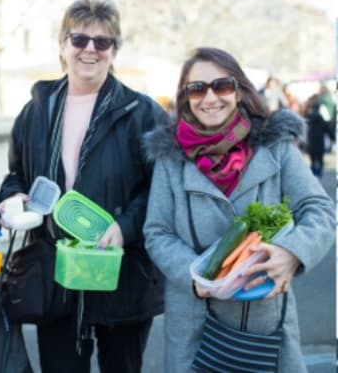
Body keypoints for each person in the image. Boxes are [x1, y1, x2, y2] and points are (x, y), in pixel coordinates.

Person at [0, 0, 167, 373]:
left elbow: (161, 189)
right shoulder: (37, 110)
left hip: (121, 275)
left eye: (102, 42)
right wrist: (12, 200)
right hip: (56, 273)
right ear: (63, 46)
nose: (89, 49)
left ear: (114, 51)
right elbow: (16, 175)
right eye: (79, 39)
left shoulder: (142, 113)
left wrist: (125, 227)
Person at [143, 47, 335, 372]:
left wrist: (292, 253)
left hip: (264, 323)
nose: (210, 97)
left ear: (239, 90)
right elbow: (157, 232)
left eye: (221, 85)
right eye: (197, 88)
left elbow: (320, 210)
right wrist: (195, 274)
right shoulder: (170, 159)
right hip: (195, 325)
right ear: (185, 97)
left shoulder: (275, 147)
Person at [304, 93, 334, 177]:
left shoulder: (308, 118)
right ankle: (319, 172)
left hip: (311, 141)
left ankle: (313, 172)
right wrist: (333, 138)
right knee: (320, 158)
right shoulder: (321, 119)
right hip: (320, 142)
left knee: (313, 158)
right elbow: (327, 129)